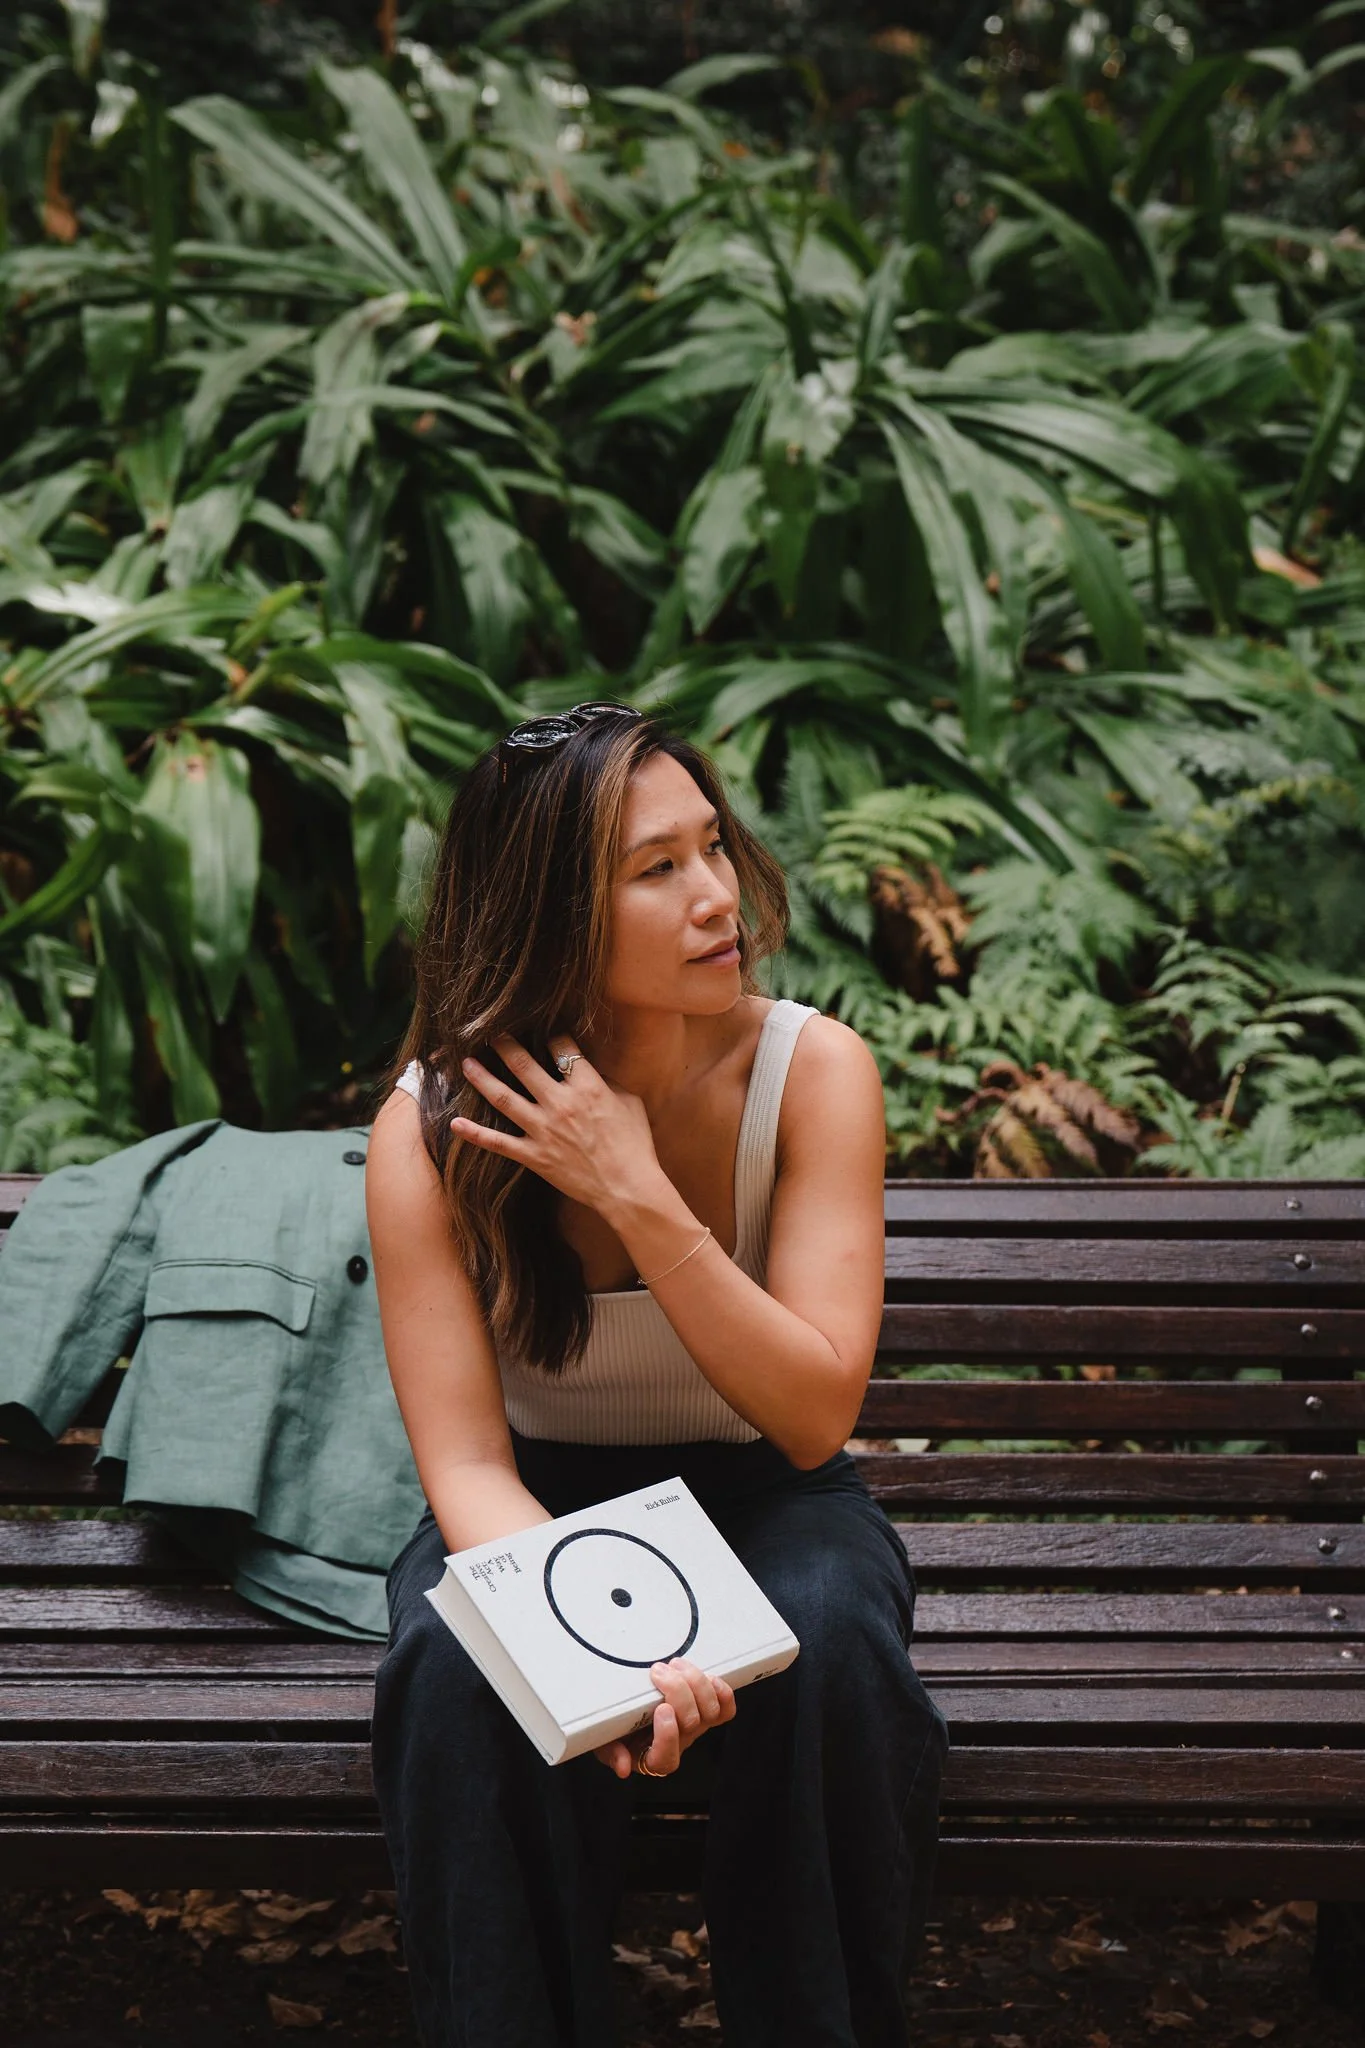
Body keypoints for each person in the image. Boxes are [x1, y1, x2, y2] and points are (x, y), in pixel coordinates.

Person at [365, 701, 948, 2048]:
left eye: (713, 850)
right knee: (459, 1673)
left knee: (834, 1646)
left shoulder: (814, 1075)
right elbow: (463, 1465)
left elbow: (810, 1416)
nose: (717, 898)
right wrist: (594, 1657)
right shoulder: (431, 1132)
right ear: (548, 913)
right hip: (538, 1508)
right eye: (656, 868)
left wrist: (636, 1194)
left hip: (771, 1494)